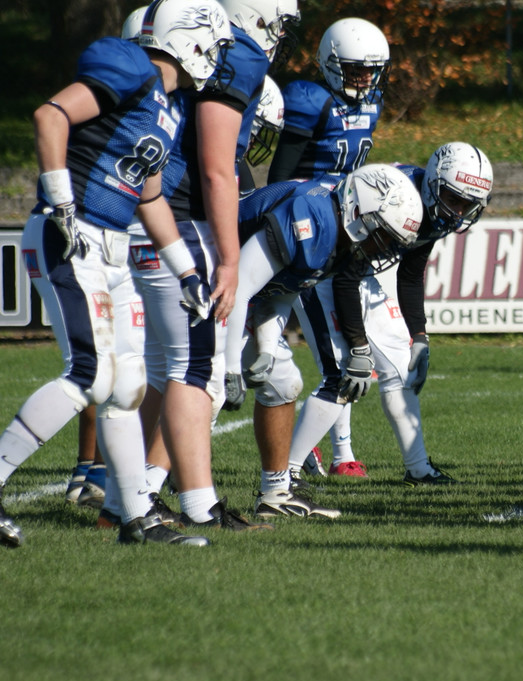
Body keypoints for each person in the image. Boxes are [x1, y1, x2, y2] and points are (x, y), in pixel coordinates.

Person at [0, 0, 237, 548]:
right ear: (192, 36)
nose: (218, 58)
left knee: (128, 384)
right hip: (72, 231)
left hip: (112, 245)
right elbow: (50, 115)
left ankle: (137, 518)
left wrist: (185, 271)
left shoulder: (169, 106)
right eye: (216, 43)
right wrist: (59, 197)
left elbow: (148, 195)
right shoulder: (133, 68)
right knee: (90, 374)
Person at [129, 0, 300, 532]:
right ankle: (196, 503)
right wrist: (230, 258)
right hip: (180, 220)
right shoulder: (241, 53)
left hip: (146, 211)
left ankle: (134, 494)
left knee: (163, 370)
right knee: (192, 371)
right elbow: (217, 168)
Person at [284, 143, 494, 486]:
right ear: (434, 185)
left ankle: (418, 468)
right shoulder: (399, 199)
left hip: (356, 271)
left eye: (468, 205)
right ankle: (285, 471)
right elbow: (346, 276)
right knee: (342, 375)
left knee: (402, 369)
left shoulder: (432, 206)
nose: (459, 212)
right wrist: (359, 346)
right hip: (320, 264)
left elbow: (410, 274)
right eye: (455, 199)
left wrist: (420, 337)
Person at [222, 163, 423, 516]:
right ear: (360, 213)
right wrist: (228, 368)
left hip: (240, 297)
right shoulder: (315, 221)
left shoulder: (341, 242)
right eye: (385, 236)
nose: (385, 249)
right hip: (208, 286)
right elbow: (237, 285)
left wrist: (267, 348)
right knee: (202, 387)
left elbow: (280, 290)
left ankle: (274, 495)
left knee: (284, 383)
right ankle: (154, 493)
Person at [267, 17, 389, 184]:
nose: (367, 78)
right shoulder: (312, 100)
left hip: (349, 197)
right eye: (356, 70)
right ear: (333, 63)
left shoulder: (373, 102)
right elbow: (280, 176)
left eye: (372, 70)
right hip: (308, 199)